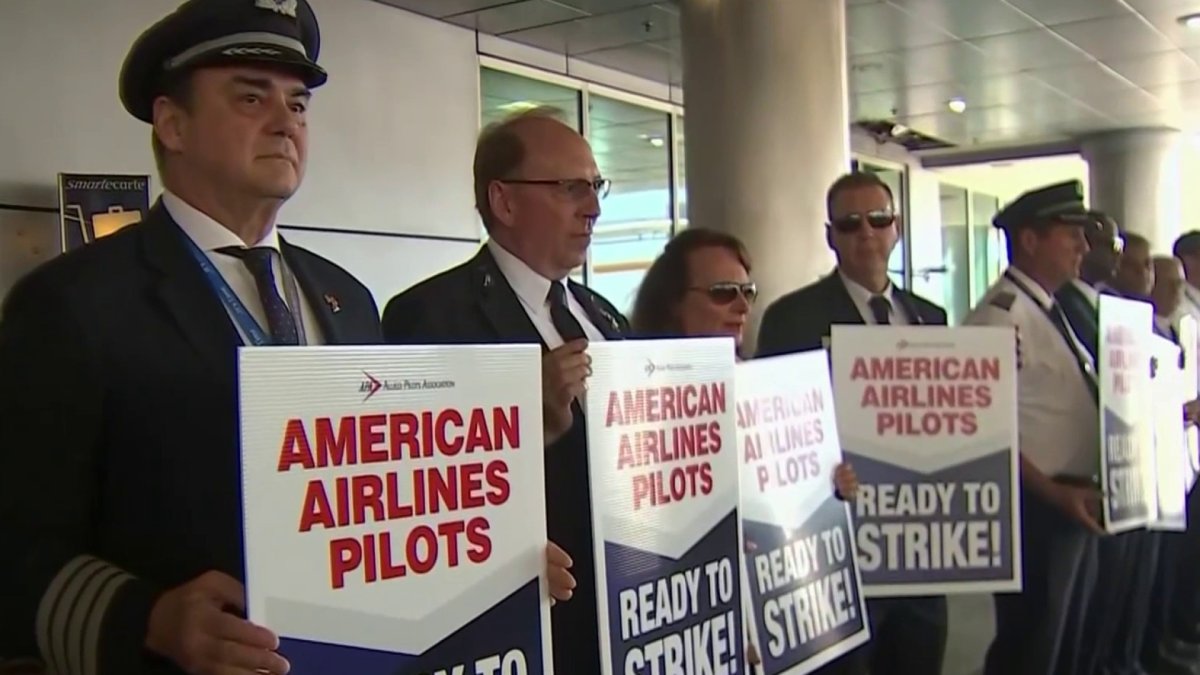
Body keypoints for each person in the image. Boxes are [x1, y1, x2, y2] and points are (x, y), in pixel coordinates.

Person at [0, 1, 385, 673]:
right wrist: (147, 617)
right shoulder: (71, 304)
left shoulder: (349, 300)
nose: (284, 122)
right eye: (249, 97)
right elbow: (16, 542)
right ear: (172, 125)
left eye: (297, 105)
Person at [381, 107, 627, 675]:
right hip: (529, 627)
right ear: (505, 201)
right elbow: (419, 488)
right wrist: (526, 412)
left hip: (625, 616)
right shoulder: (431, 314)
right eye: (570, 188)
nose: (592, 208)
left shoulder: (606, 316)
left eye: (595, 187)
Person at [755, 171, 948, 675]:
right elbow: (774, 432)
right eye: (850, 223)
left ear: (897, 227)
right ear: (830, 236)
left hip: (919, 545)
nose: (866, 233)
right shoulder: (791, 317)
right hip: (840, 542)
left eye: (878, 220)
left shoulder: (932, 317)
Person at [962, 179, 1103, 675]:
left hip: (1070, 501)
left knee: (1062, 643)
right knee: (1032, 645)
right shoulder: (1000, 319)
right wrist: (1053, 493)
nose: (1083, 248)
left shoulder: (1047, 308)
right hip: (1038, 505)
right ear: (1030, 239)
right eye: (1072, 235)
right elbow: (986, 430)